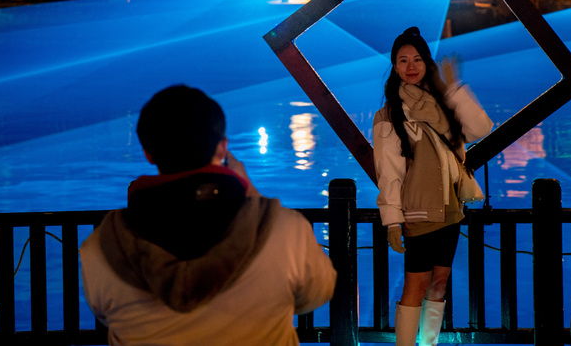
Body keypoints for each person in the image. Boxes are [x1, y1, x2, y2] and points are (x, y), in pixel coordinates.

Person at [79, 84, 337, 345]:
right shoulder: (285, 231)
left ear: (148, 153)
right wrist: (253, 196)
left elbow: (104, 315)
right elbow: (318, 292)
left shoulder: (100, 248)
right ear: (222, 149)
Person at [373, 26, 493, 346]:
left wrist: (455, 88)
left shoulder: (443, 105)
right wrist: (392, 221)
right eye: (402, 60)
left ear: (427, 63)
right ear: (394, 67)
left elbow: (481, 128)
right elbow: (389, 172)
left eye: (417, 59)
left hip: (450, 210)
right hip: (419, 212)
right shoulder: (389, 115)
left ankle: (428, 344)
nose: (410, 66)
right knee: (416, 285)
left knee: (439, 284)